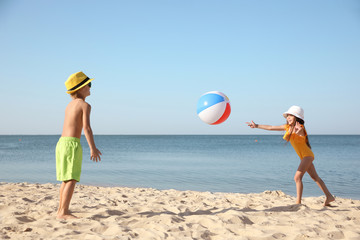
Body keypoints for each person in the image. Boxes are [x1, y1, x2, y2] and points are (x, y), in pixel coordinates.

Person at [246, 106, 334, 206]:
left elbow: (301, 133)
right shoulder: (287, 127)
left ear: (297, 117)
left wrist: (298, 131)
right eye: (287, 116)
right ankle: (329, 197)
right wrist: (256, 125)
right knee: (315, 178)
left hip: (307, 156)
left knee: (297, 178)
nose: (288, 117)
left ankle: (298, 203)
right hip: (305, 156)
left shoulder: (301, 128)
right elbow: (270, 127)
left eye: (291, 115)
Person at [56, 71, 102, 219]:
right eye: (88, 85)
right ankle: (63, 212)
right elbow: (86, 128)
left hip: (61, 143)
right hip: (72, 144)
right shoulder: (85, 105)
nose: (90, 87)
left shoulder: (69, 105)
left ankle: (61, 209)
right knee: (72, 178)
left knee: (65, 178)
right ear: (81, 88)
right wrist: (92, 148)